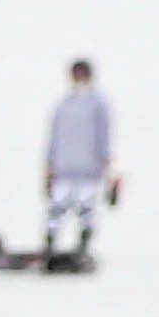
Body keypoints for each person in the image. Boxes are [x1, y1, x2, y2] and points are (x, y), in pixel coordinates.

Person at [41, 59, 117, 272]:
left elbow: (105, 137)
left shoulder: (98, 104)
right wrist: (49, 168)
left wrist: (107, 166)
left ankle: (82, 247)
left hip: (89, 170)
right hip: (64, 168)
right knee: (56, 210)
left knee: (87, 209)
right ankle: (49, 247)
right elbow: (53, 139)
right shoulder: (63, 105)